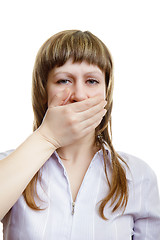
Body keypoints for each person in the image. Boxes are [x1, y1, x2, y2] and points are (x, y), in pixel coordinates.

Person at [0, 30, 160, 240]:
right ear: (43, 91)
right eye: (64, 81)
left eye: (92, 81)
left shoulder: (138, 176)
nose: (79, 95)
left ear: (106, 93)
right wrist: (47, 137)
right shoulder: (10, 164)